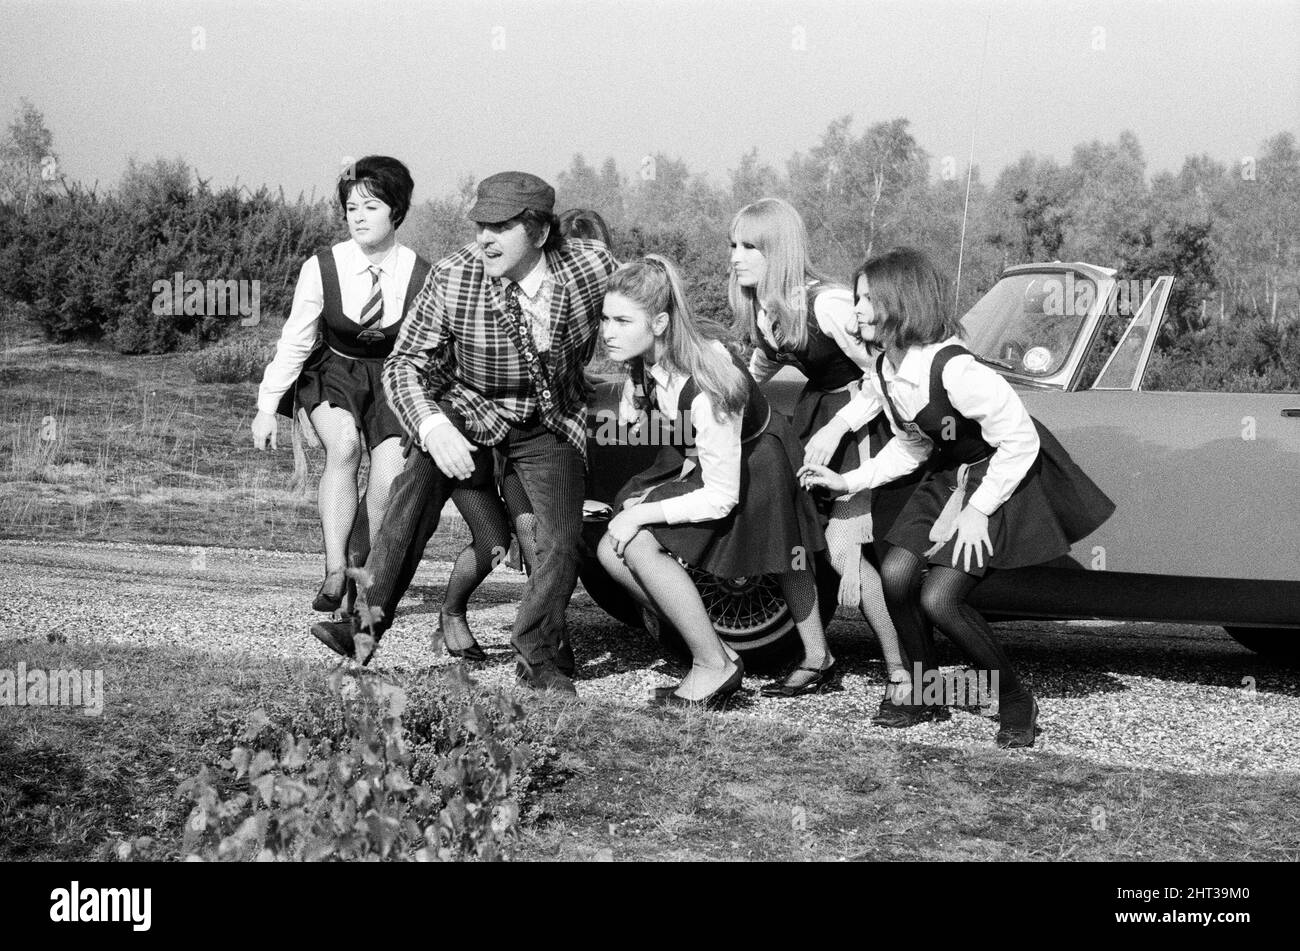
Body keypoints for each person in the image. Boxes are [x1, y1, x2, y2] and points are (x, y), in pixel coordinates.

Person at [311, 171, 618, 696]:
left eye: (501, 227)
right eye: (481, 225)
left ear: (540, 233)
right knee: (414, 486)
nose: (484, 238)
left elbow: (652, 305)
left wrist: (651, 376)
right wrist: (431, 425)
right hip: (467, 415)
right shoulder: (454, 275)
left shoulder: (591, 267)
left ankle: (540, 655)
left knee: (559, 537)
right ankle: (361, 628)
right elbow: (403, 364)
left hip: (550, 425)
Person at [800, 247, 1115, 747]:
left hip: (1000, 479)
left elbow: (1021, 441)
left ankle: (1014, 697)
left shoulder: (955, 370)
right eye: (857, 298)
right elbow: (914, 444)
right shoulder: (886, 368)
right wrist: (849, 481)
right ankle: (925, 691)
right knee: (897, 577)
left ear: (901, 304)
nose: (856, 309)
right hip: (948, 477)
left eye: (866, 299)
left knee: (939, 598)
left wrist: (977, 510)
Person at [597, 255, 827, 708]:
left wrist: (647, 510)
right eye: (605, 318)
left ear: (660, 322)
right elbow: (687, 444)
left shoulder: (706, 385)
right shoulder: (651, 359)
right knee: (611, 548)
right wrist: (658, 491)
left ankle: (714, 667)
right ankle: (717, 652)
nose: (608, 331)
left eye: (623, 320)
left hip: (758, 469)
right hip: (711, 460)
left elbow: (721, 495)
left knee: (638, 540)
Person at [729, 197, 908, 700]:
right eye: (734, 245)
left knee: (844, 550)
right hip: (813, 420)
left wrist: (838, 428)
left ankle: (900, 670)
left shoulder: (827, 304)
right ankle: (817, 656)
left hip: (860, 426)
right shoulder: (767, 309)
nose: (736, 257)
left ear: (779, 251)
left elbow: (886, 373)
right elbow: (761, 366)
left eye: (750, 247)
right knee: (793, 538)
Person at [252, 156, 430, 615]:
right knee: (346, 446)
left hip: (395, 381)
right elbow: (294, 339)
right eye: (352, 208)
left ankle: (357, 565)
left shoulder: (422, 274)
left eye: (371, 207)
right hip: (335, 373)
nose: (359, 218)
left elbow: (433, 349)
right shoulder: (323, 267)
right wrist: (267, 407)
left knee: (389, 475)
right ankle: (333, 570)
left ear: (398, 211)